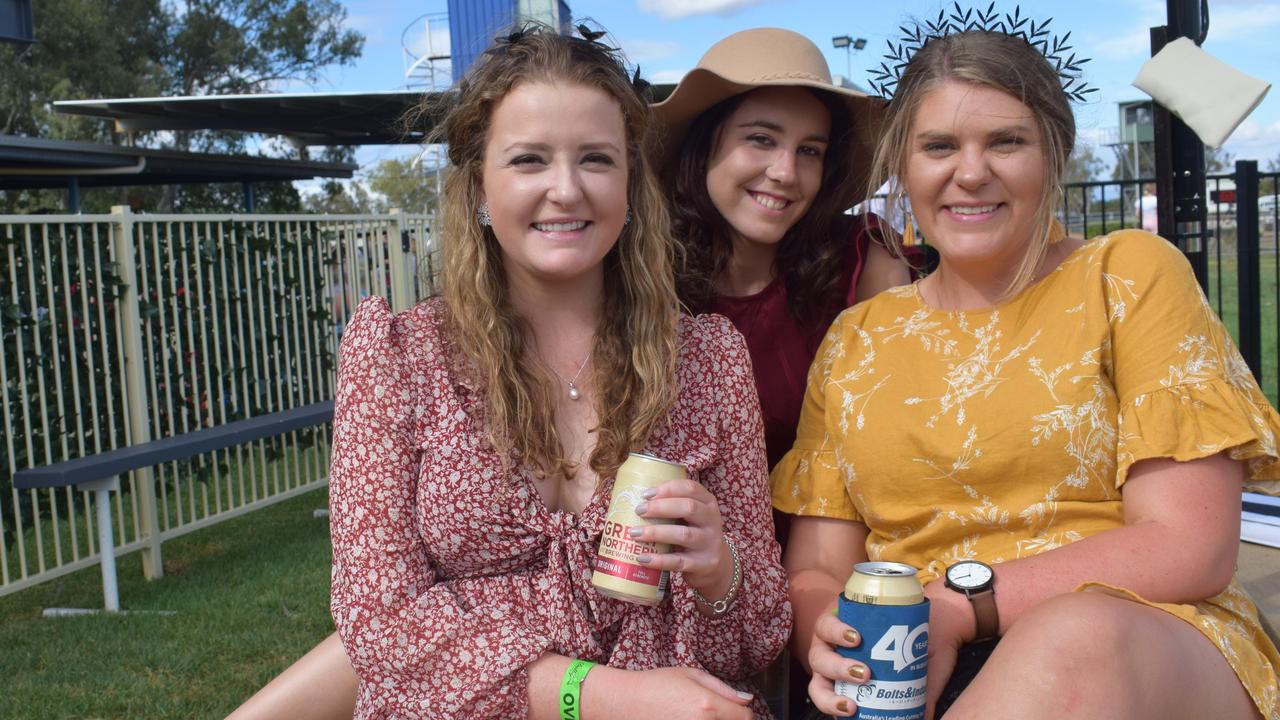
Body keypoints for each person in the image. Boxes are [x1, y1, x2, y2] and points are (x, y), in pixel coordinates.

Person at [234, 24, 789, 720]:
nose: (566, 189)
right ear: (477, 188)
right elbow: (380, 628)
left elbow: (761, 636)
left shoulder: (709, 360)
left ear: (630, 184)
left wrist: (719, 570)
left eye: (596, 158)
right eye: (529, 160)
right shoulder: (401, 357)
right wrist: (598, 695)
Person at [775, 21, 1280, 720]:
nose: (971, 171)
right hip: (906, 662)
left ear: (1054, 152)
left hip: (1142, 636)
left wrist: (961, 606)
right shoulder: (857, 338)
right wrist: (826, 633)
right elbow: (819, 569)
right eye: (939, 146)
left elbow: (1189, 545)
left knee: (1073, 642)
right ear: (904, 166)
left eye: (1006, 141)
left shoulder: (1125, 274)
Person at [653, 28, 911, 471]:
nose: (786, 172)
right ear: (703, 147)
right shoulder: (641, 269)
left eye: (809, 150)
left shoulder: (863, 259)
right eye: (761, 139)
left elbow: (899, 430)